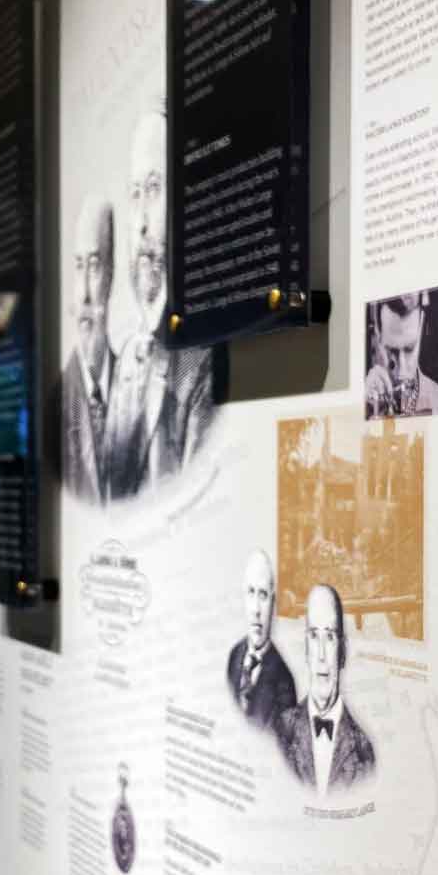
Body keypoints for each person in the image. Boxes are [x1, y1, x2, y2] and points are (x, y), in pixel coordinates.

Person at [103, 102, 216, 500]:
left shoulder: (204, 361)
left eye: (153, 189)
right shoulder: (128, 361)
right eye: (134, 195)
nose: (140, 222)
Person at [275, 584, 376, 795]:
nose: (321, 655)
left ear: (342, 652)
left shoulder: (364, 752)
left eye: (329, 637)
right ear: (306, 648)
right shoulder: (280, 733)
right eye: (314, 636)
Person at [61, 195, 115, 504]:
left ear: (111, 273)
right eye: (78, 266)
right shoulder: (54, 405)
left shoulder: (140, 392)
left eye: (93, 267)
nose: (82, 294)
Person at [226, 550, 296, 729]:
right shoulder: (234, 656)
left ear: (273, 604)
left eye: (263, 595)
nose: (256, 609)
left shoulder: (285, 684)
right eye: (251, 592)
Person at [365, 292, 438, 417]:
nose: (402, 371)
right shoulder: (362, 401)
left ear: (422, 331)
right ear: (376, 340)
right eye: (392, 351)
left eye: (409, 349)